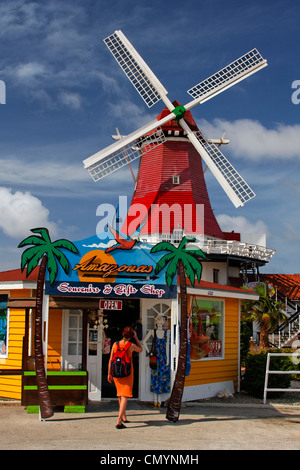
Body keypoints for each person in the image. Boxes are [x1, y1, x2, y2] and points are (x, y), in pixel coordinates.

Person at [108, 326, 143, 429]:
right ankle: (119, 420)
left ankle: (123, 416)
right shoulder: (131, 345)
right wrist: (136, 338)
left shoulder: (115, 344)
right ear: (131, 336)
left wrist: (109, 373)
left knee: (120, 395)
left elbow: (110, 360)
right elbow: (141, 349)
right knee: (125, 396)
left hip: (116, 373)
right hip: (127, 373)